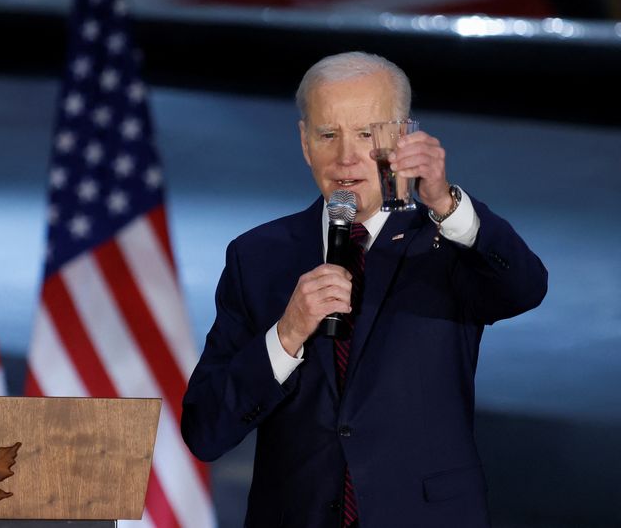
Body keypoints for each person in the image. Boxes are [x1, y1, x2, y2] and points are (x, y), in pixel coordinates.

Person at [180, 52, 548, 528]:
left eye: (367, 134)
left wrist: (446, 203)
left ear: (402, 138)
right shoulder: (257, 256)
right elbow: (206, 430)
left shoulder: (446, 242)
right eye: (328, 135)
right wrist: (286, 335)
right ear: (304, 141)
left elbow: (525, 287)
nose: (346, 157)